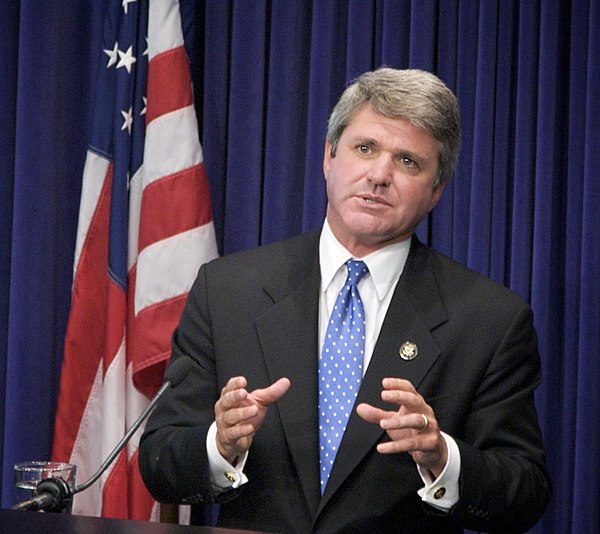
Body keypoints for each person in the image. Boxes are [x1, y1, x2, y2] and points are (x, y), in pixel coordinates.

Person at [139, 68, 551, 533]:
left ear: (436, 191)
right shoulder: (227, 290)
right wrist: (221, 444)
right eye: (365, 148)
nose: (379, 175)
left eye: (409, 162)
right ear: (328, 157)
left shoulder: (489, 319)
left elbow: (525, 492)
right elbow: (160, 462)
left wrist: (442, 458)